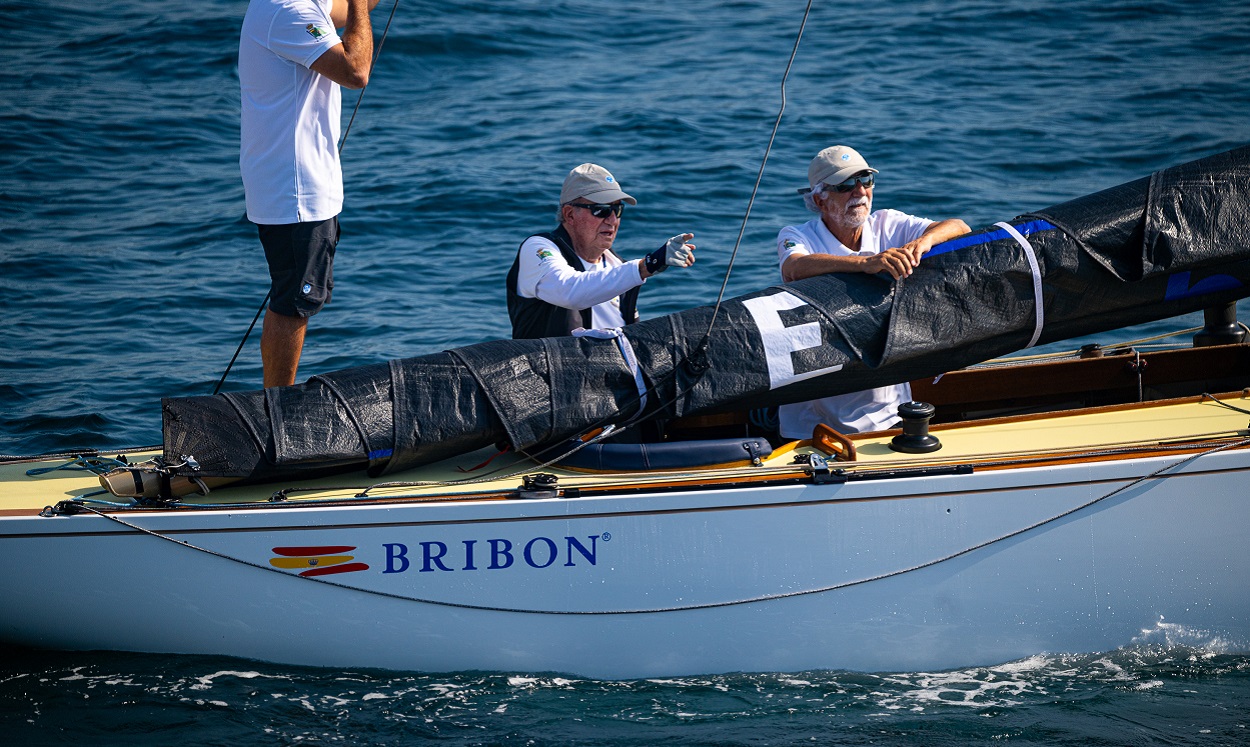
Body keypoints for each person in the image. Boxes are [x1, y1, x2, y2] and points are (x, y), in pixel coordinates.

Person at [775, 145, 970, 439]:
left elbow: (959, 227)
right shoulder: (797, 236)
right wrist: (866, 263)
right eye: (845, 185)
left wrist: (923, 243)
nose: (860, 191)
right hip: (813, 421)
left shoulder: (889, 223)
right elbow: (794, 267)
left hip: (889, 410)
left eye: (866, 181)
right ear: (819, 199)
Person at [239, 0, 380, 388]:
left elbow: (355, 9)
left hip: (297, 185)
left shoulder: (303, 4)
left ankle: (274, 407)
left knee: (297, 300)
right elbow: (356, 71)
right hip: (294, 189)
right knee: (293, 304)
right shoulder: (288, 10)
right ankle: (276, 412)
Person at [507, 163, 698, 339]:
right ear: (569, 214)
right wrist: (648, 265)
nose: (612, 220)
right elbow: (570, 292)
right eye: (601, 210)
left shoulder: (618, 267)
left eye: (618, 210)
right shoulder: (538, 248)